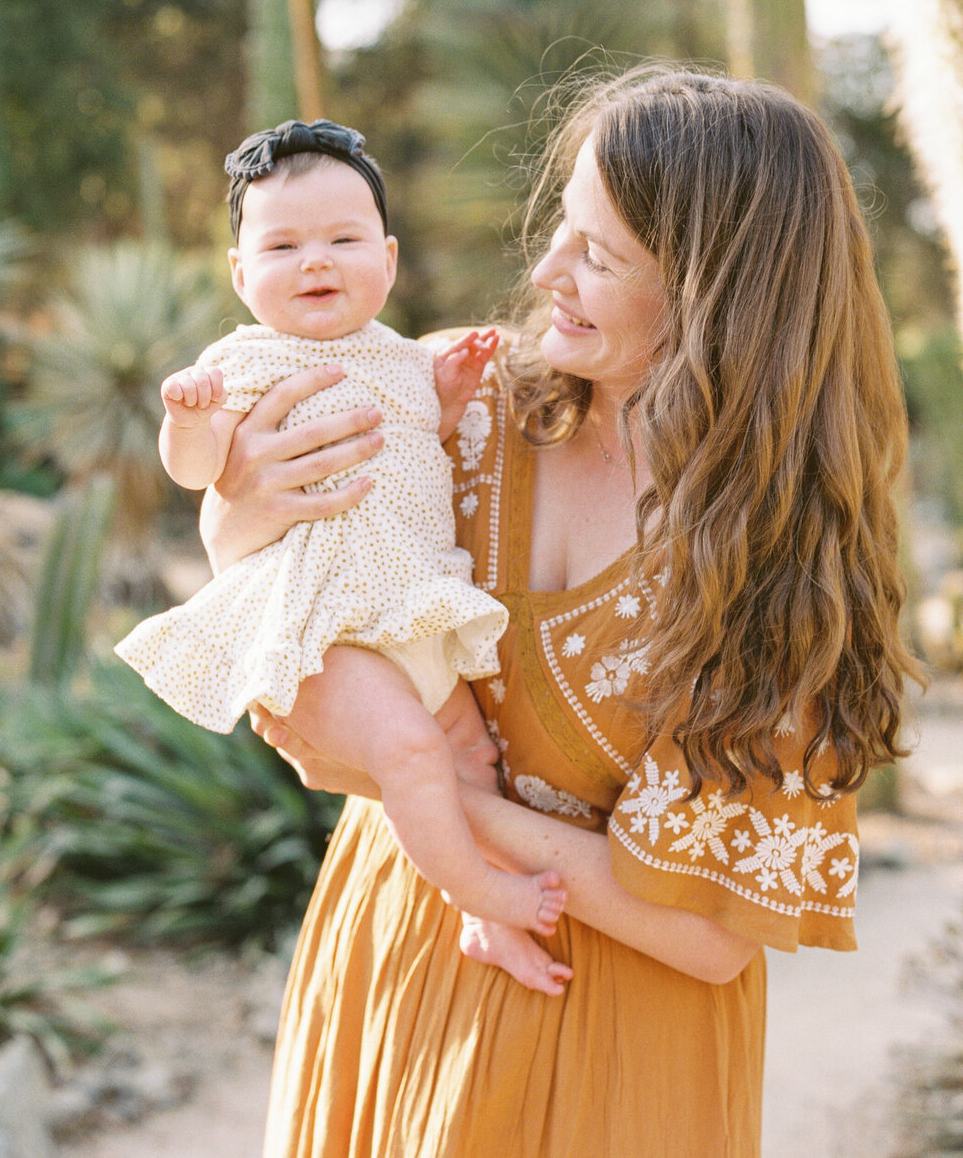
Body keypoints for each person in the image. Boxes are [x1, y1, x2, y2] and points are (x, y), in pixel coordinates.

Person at [202, 70, 922, 1158]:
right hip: (395, 954)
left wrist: (430, 787)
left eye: (600, 256)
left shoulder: (786, 567)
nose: (546, 273)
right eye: (561, 232)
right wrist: (233, 508)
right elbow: (256, 568)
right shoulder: (455, 403)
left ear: (714, 294)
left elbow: (707, 933)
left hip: (623, 1053)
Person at [116, 119, 571, 961]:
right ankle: (472, 887)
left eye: (342, 238)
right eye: (283, 245)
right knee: (409, 748)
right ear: (241, 273)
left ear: (388, 262)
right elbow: (199, 471)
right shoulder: (246, 358)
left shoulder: (401, 355)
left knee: (473, 758)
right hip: (324, 621)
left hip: (409, 603)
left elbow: (415, 442)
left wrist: (447, 393)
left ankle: (490, 925)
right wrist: (185, 418)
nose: (315, 260)